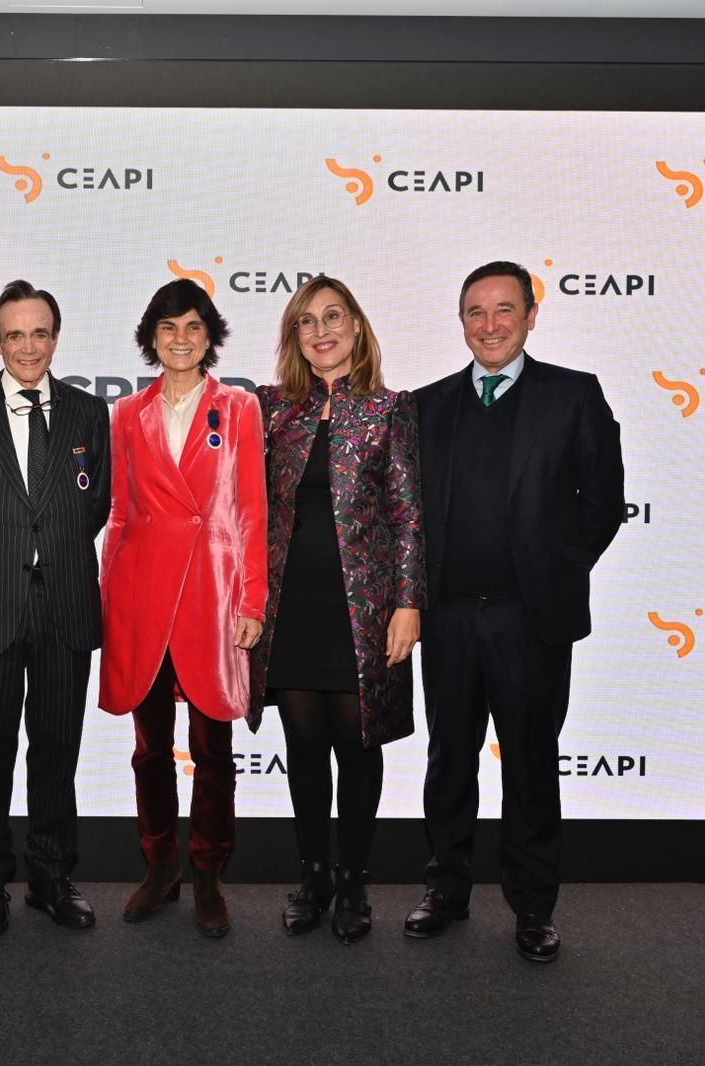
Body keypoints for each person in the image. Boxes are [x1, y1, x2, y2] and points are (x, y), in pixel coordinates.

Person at [407, 261, 624, 962]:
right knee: (449, 760)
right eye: (476, 311)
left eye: (505, 310)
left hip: (529, 619)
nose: (490, 325)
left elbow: (603, 503)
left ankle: (533, 907)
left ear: (531, 316)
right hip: (447, 618)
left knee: (530, 764)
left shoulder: (574, 395)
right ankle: (445, 890)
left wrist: (553, 572)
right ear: (461, 321)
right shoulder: (427, 406)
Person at [251, 275, 425, 943]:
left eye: (332, 317)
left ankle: (352, 881)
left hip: (362, 610)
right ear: (294, 336)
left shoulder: (389, 409)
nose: (320, 331)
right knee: (302, 746)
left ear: (356, 326)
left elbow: (408, 517)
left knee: (357, 747)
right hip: (290, 606)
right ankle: (313, 877)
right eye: (306, 321)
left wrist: (408, 603)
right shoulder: (271, 409)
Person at [0, 280, 112, 937]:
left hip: (65, 601)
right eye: (15, 334)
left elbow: (95, 505)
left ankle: (51, 878)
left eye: (40, 333)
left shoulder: (88, 413)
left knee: (57, 751)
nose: (29, 347)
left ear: (56, 338)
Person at [99, 278, 267, 938]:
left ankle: (207, 872)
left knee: (212, 746)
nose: (180, 338)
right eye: (168, 327)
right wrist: (111, 599)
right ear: (151, 337)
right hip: (142, 596)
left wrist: (252, 598)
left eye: (193, 326)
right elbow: (119, 514)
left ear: (210, 336)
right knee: (149, 749)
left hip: (212, 595)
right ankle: (160, 864)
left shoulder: (240, 407)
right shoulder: (126, 414)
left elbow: (251, 511)